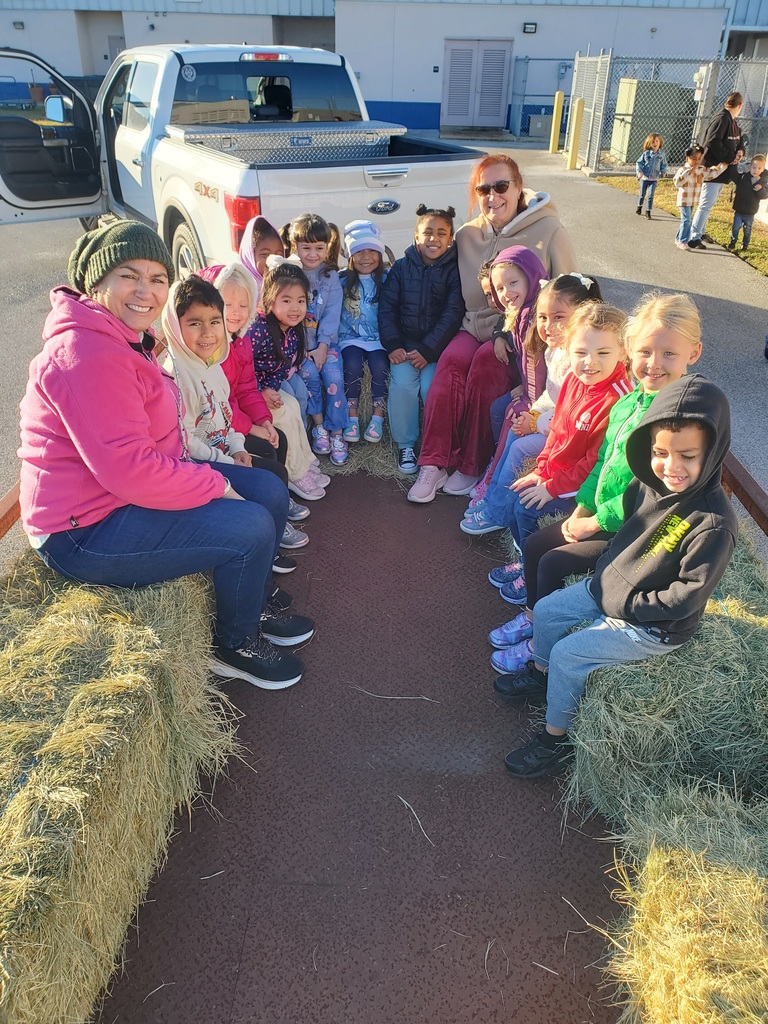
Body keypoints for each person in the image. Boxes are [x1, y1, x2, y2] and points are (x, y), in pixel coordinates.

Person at [18, 221, 313, 691]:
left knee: (270, 489)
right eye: (129, 276)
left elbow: (153, 442)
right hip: (83, 528)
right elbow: (130, 472)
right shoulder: (86, 353)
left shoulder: (121, 335)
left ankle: (251, 594)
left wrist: (221, 461)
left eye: (157, 278)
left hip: (122, 491)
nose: (146, 291)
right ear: (98, 283)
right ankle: (233, 645)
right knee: (251, 524)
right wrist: (216, 484)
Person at [501, 374, 738, 778]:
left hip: (654, 624)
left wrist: (626, 604)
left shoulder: (713, 523)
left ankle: (554, 740)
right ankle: (541, 674)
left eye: (687, 455)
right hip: (610, 587)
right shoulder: (646, 483)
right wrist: (607, 573)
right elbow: (623, 535)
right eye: (661, 451)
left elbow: (686, 597)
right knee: (548, 609)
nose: (671, 466)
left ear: (712, 452)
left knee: (569, 655)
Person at [490, 292, 703, 671]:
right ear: (631, 352)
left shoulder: (673, 419)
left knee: (553, 563)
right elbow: (604, 463)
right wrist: (583, 507)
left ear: (693, 353)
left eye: (668, 354)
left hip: (636, 530)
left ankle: (543, 646)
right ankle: (535, 618)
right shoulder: (628, 404)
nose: (654, 365)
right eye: (645, 352)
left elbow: (650, 495)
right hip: (602, 512)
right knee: (538, 544)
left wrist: (593, 520)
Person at [407, 154, 577, 503]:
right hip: (472, 325)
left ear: (517, 188)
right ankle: (433, 462)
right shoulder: (468, 234)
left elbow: (572, 294)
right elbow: (442, 278)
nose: (492, 196)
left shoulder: (549, 230)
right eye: (483, 188)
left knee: (486, 366)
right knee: (451, 365)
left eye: (501, 186)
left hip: (521, 337)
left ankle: (471, 464)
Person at [462, 301, 630, 553]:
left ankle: (529, 566)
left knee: (524, 508)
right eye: (581, 352)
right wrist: (542, 470)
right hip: (558, 474)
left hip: (582, 487)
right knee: (514, 494)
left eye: (603, 353)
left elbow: (595, 463)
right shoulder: (574, 379)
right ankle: (521, 555)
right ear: (568, 348)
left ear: (623, 352)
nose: (590, 362)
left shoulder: (617, 400)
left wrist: (552, 487)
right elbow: (557, 432)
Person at [160, 275, 310, 553]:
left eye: (214, 322)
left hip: (224, 446)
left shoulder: (213, 363)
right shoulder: (174, 375)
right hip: (204, 461)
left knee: (276, 445)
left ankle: (274, 519)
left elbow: (226, 410)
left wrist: (239, 444)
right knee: (271, 474)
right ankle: (267, 537)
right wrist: (227, 457)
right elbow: (186, 441)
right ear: (174, 324)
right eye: (195, 323)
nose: (207, 333)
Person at [464, 273, 602, 531]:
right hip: (552, 424)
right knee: (514, 435)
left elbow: (572, 415)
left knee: (520, 448)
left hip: (569, 437)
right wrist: (533, 413)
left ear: (583, 315)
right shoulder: (556, 349)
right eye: (542, 317)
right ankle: (493, 496)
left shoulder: (583, 361)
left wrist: (537, 424)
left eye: (559, 317)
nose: (548, 326)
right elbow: (551, 394)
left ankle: (497, 513)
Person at [379, 204, 464, 474]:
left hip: (434, 351)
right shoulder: (402, 268)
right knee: (402, 386)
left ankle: (434, 445)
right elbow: (387, 307)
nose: (434, 239)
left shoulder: (453, 272)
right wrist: (393, 344)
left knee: (432, 389)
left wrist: (429, 349)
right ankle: (406, 444)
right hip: (404, 348)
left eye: (441, 233)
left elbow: (452, 314)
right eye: (427, 232)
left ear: (450, 239)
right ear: (416, 236)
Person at [249, 259, 330, 501]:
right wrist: (261, 390)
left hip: (270, 386)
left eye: (301, 300)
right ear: (270, 300)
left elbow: (284, 365)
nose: (295, 308)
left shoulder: (292, 329)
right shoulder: (259, 330)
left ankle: (304, 463)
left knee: (294, 406)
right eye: (286, 300)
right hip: (253, 391)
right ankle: (294, 472)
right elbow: (243, 370)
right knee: (285, 412)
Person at [286, 212, 350, 465]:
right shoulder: (290, 274)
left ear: (327, 247)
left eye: (319, 248)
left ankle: (337, 433)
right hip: (299, 347)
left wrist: (323, 346)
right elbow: (287, 317)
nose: (312, 254)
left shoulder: (330, 277)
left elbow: (333, 315)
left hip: (326, 343)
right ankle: (319, 427)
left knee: (334, 377)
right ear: (295, 247)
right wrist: (302, 349)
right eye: (306, 248)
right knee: (309, 376)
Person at [338, 220, 389, 444]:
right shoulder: (341, 282)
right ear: (350, 255)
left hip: (378, 339)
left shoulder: (387, 280)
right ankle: (352, 416)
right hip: (350, 338)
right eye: (359, 251)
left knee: (379, 366)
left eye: (372, 250)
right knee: (351, 365)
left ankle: (378, 415)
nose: (366, 257)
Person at [688, 92, 744, 250]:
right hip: (712, 169)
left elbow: (739, 139)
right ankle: (694, 237)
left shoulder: (731, 121)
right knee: (705, 204)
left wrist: (740, 151)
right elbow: (712, 141)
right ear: (739, 106)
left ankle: (701, 231)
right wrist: (729, 157)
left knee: (709, 204)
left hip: (721, 171)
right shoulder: (722, 118)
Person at [673, 146, 728, 251]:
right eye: (694, 159)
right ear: (687, 158)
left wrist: (722, 166)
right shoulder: (683, 170)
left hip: (693, 200)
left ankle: (678, 238)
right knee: (686, 220)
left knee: (686, 220)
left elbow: (711, 174)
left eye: (699, 159)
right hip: (684, 200)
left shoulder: (701, 170)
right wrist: (690, 171)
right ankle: (683, 241)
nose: (696, 162)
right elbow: (677, 182)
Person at [727, 153, 768, 252]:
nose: (756, 170)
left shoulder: (762, 182)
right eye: (754, 167)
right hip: (739, 209)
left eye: (759, 168)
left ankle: (745, 245)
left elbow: (765, 196)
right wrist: (733, 163)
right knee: (736, 227)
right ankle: (733, 242)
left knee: (747, 230)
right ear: (750, 167)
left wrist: (760, 189)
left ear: (762, 170)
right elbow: (733, 175)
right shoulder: (743, 177)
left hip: (750, 211)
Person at [635, 133, 667, 219]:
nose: (655, 143)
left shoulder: (662, 154)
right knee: (642, 194)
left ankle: (648, 211)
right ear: (649, 143)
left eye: (657, 141)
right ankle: (639, 206)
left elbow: (664, 165)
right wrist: (639, 172)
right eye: (653, 142)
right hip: (645, 177)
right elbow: (639, 163)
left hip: (654, 178)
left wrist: (663, 171)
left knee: (650, 195)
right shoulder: (646, 154)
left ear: (660, 143)